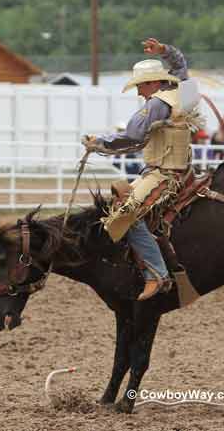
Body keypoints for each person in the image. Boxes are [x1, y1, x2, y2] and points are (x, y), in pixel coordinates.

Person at [82, 38, 197, 301]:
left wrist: (97, 143)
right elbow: (180, 64)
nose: (138, 93)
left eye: (140, 86)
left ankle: (157, 274)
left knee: (125, 214)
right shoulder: (182, 90)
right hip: (179, 169)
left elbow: (132, 136)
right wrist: (165, 51)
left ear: (153, 83)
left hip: (163, 174)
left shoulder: (156, 104)